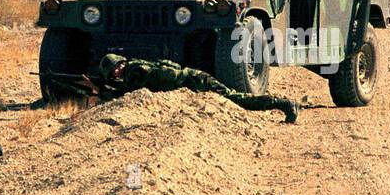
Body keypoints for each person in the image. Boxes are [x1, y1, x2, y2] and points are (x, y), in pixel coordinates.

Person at [96, 54, 298, 123]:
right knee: (237, 99)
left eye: (114, 70)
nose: (116, 74)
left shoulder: (135, 71)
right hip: (195, 80)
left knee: (238, 100)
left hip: (197, 82)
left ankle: (284, 104)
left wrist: (101, 91)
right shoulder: (135, 68)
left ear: (119, 65)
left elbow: (129, 94)